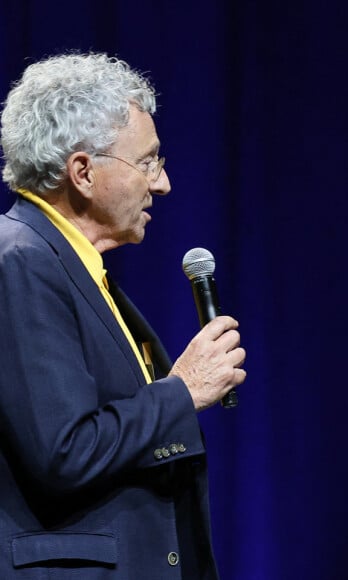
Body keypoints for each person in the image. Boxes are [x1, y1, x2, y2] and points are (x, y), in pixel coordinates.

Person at [0, 52, 246, 579]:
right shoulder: (20, 261)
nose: (163, 184)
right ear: (83, 172)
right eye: (149, 161)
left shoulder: (73, 266)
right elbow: (63, 454)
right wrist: (182, 389)